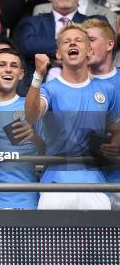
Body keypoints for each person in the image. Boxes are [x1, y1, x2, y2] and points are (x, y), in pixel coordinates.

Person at [25, 24, 119, 210]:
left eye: (78, 40)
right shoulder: (48, 90)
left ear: (89, 51)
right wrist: (38, 75)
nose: (72, 44)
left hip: (96, 185)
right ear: (59, 54)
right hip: (55, 185)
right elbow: (31, 115)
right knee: (52, 241)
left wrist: (115, 145)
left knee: (97, 240)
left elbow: (116, 129)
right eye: (66, 42)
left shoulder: (107, 90)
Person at [0, 48, 44, 210]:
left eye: (13, 66)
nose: (8, 69)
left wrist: (33, 138)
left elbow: (49, 153)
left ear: (20, 74)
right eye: (2, 65)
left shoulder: (32, 106)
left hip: (26, 200)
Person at [16, 0, 106, 82]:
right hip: (40, 90)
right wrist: (76, 48)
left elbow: (98, 46)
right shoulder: (32, 23)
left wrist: (53, 52)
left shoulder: (96, 22)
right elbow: (27, 46)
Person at [83, 18, 120, 210]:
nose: (86, 47)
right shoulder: (68, 83)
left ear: (109, 44)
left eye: (91, 40)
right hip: (82, 183)